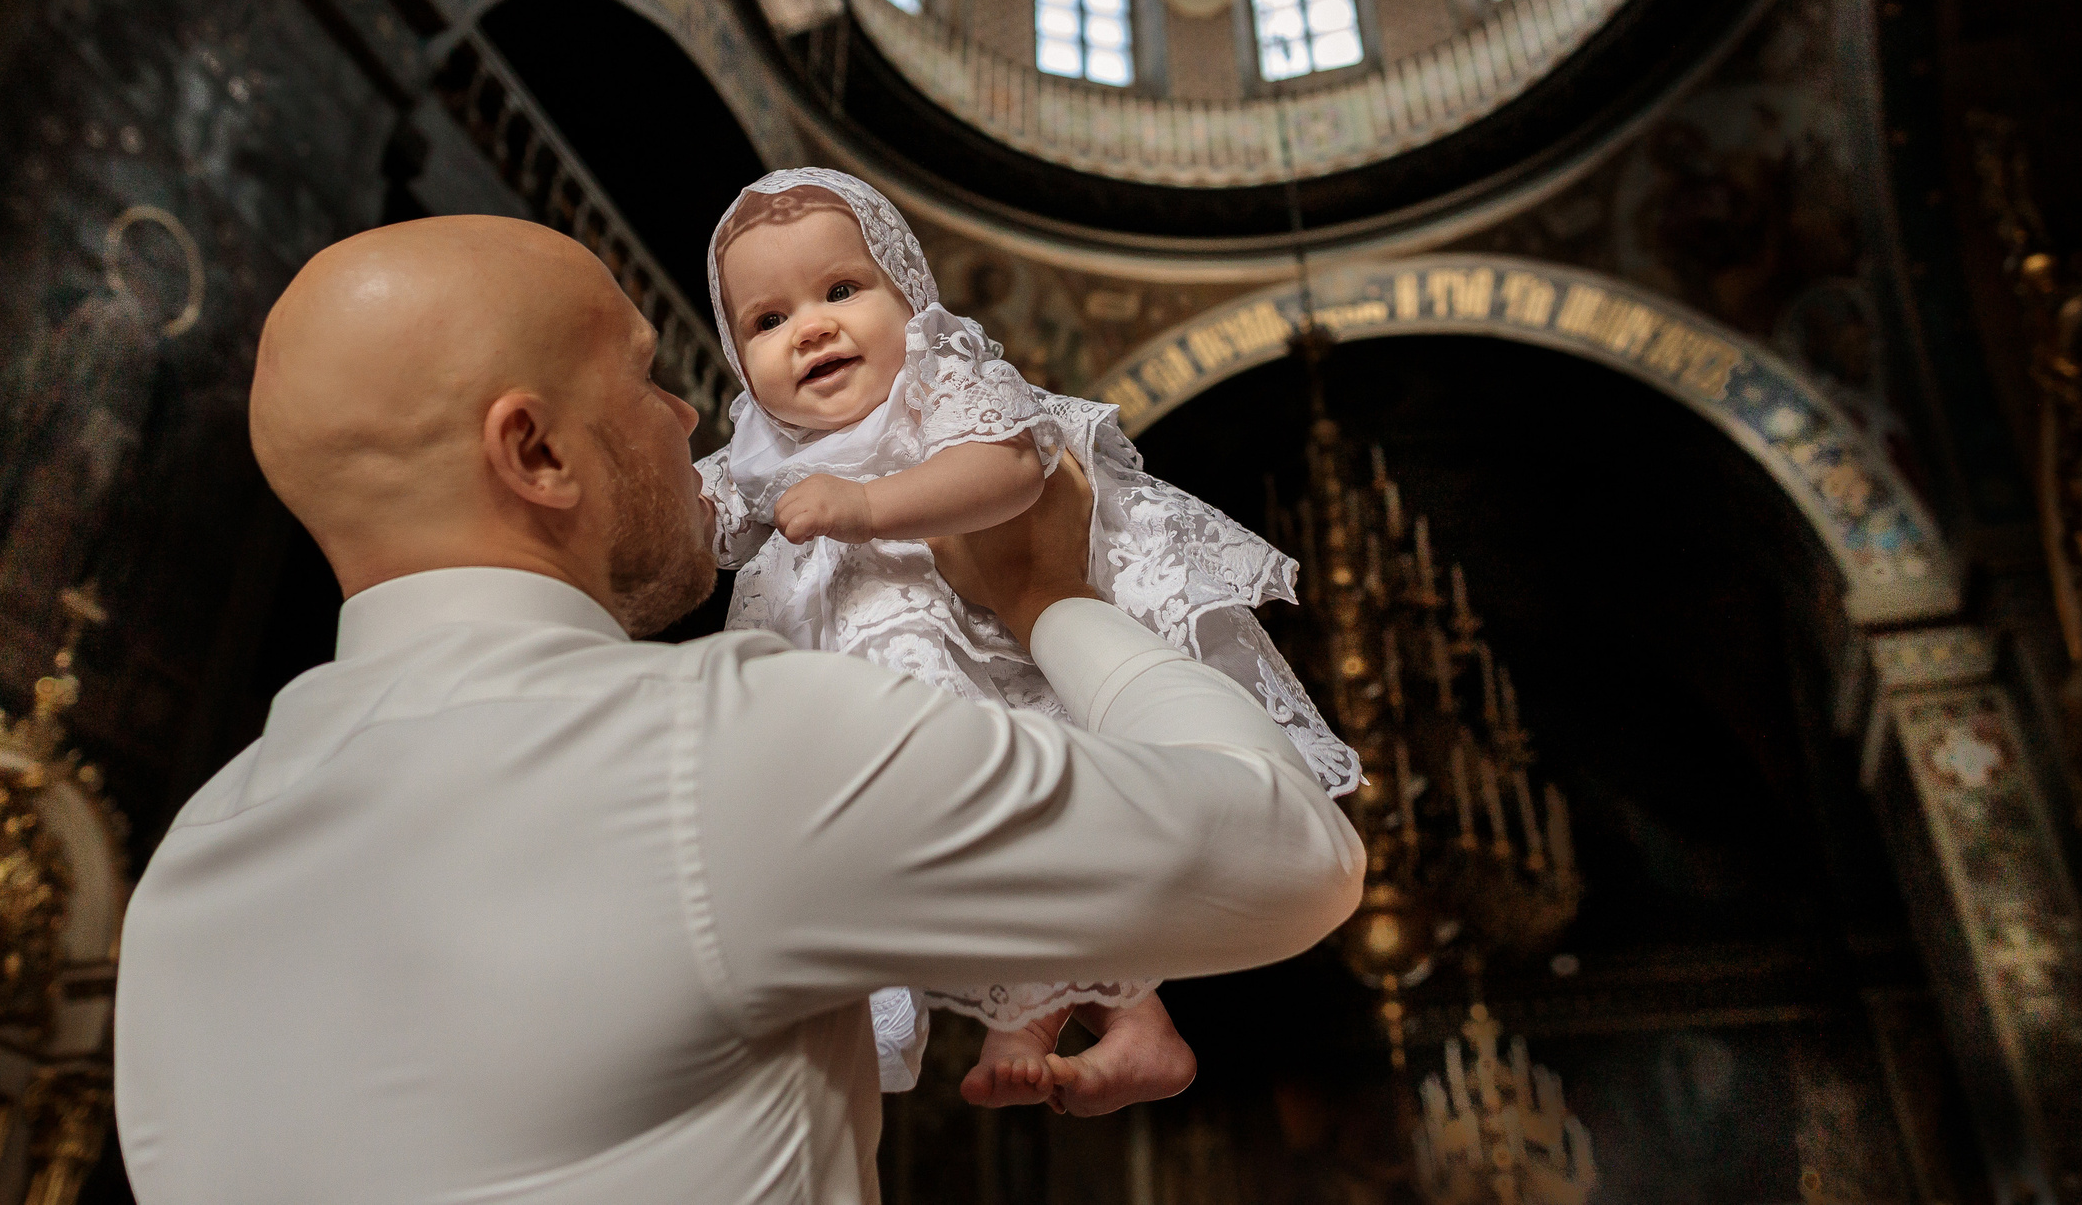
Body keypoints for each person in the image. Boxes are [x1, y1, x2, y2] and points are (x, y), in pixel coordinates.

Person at [113, 214, 1362, 1204]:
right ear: (537, 455)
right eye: (653, 382)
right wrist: (1048, 602)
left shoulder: (181, 878)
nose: (688, 422)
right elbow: (1287, 852)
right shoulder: (729, 745)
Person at [698, 168, 1358, 1112]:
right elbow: (694, 519)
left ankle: (1118, 1020)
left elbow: (1008, 468)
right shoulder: (760, 444)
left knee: (1015, 819)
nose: (808, 327)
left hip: (967, 654)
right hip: (845, 698)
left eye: (842, 291)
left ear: (910, 296)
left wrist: (870, 503)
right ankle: (1077, 1017)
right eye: (766, 320)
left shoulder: (940, 379)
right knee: (908, 843)